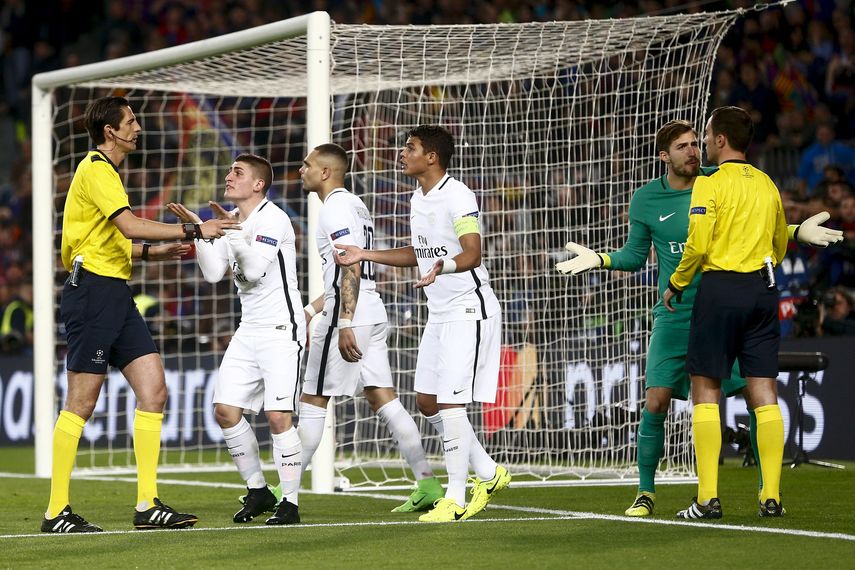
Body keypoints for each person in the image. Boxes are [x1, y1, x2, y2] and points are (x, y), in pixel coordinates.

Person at [555, 120, 842, 518]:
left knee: (749, 393)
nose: (693, 151)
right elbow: (636, 256)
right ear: (664, 156)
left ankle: (762, 490)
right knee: (655, 401)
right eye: (682, 147)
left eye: (696, 143)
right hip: (675, 315)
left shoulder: (715, 179)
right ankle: (646, 493)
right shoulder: (645, 199)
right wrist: (601, 259)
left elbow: (753, 225)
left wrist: (795, 231)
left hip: (716, 302)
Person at [44, 95, 238, 533]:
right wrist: (194, 229)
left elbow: (118, 243)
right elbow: (129, 225)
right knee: (82, 402)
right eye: (131, 122)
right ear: (110, 131)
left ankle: (147, 504)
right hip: (91, 292)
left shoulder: (108, 174)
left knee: (155, 390)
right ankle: (56, 511)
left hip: (113, 290)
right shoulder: (95, 168)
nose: (138, 128)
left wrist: (156, 253)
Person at [335, 125, 511, 522]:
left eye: (410, 148)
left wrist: (442, 267)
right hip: (440, 311)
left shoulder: (458, 195)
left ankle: (455, 497)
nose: (402, 153)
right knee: (427, 401)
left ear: (431, 157)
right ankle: (488, 471)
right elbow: (419, 251)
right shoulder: (418, 198)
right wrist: (365, 253)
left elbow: (472, 254)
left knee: (450, 402)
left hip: (469, 308)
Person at [298, 143, 444, 513]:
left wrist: (343, 319)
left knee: (314, 399)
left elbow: (351, 267)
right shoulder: (356, 205)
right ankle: (426, 482)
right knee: (385, 399)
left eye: (307, 164)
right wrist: (310, 309)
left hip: (351, 314)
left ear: (326, 171)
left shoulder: (334, 208)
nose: (302, 170)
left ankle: (281, 490)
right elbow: (344, 270)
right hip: (372, 310)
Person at [663, 106, 789, 519]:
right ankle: (770, 496)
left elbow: (697, 245)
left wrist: (678, 282)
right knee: (763, 390)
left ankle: (707, 499)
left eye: (706, 136)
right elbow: (779, 241)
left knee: (706, 389)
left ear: (720, 140)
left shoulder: (710, 184)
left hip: (721, 288)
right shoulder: (768, 183)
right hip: (763, 288)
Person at [168, 153, 306, 526]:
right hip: (249, 329)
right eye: (229, 169)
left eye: (238, 172)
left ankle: (289, 503)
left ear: (258, 184)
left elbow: (257, 269)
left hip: (281, 329)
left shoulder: (272, 218)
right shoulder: (233, 219)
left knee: (278, 417)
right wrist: (199, 230)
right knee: (225, 411)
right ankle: (258, 491)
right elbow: (214, 273)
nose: (229, 175)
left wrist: (231, 231)